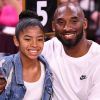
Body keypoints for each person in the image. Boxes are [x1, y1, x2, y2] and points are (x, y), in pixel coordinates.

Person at [42, 2, 100, 100]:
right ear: (53, 26)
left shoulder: (97, 58)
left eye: (74, 21)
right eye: (61, 22)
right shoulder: (50, 47)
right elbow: (16, 61)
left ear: (84, 24)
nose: (67, 27)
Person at [0, 10, 53, 100]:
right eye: (28, 39)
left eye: (40, 39)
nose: (34, 44)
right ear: (16, 40)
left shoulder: (47, 66)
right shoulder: (5, 66)